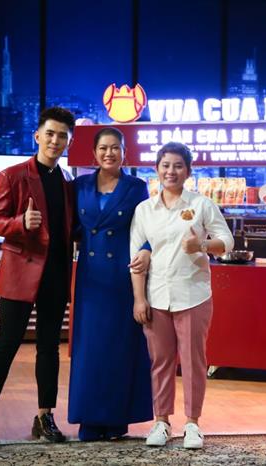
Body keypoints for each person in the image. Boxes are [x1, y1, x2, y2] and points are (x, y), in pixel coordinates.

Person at [0, 107, 76, 451]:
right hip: (20, 274)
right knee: (6, 345)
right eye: (50, 133)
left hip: (56, 275)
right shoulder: (12, 175)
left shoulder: (67, 183)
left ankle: (45, 416)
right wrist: (20, 223)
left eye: (62, 136)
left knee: (49, 348)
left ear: (68, 141)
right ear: (37, 135)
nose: (55, 140)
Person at [129, 142, 234, 449]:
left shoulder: (201, 205)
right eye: (165, 165)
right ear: (156, 169)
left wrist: (201, 245)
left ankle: (192, 424)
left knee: (193, 361)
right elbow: (136, 258)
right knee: (160, 362)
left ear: (188, 171)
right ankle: (161, 422)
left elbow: (226, 241)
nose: (171, 171)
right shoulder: (144, 210)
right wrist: (139, 298)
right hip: (156, 295)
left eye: (178, 166)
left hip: (193, 294)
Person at [68, 127, 153, 441]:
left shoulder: (136, 187)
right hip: (91, 278)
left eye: (115, 147)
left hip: (122, 276)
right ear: (94, 153)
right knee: (89, 349)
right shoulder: (79, 186)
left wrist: (147, 251)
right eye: (103, 148)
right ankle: (89, 420)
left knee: (119, 349)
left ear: (124, 153)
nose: (109, 153)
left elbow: (147, 229)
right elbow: (70, 226)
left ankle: (116, 420)